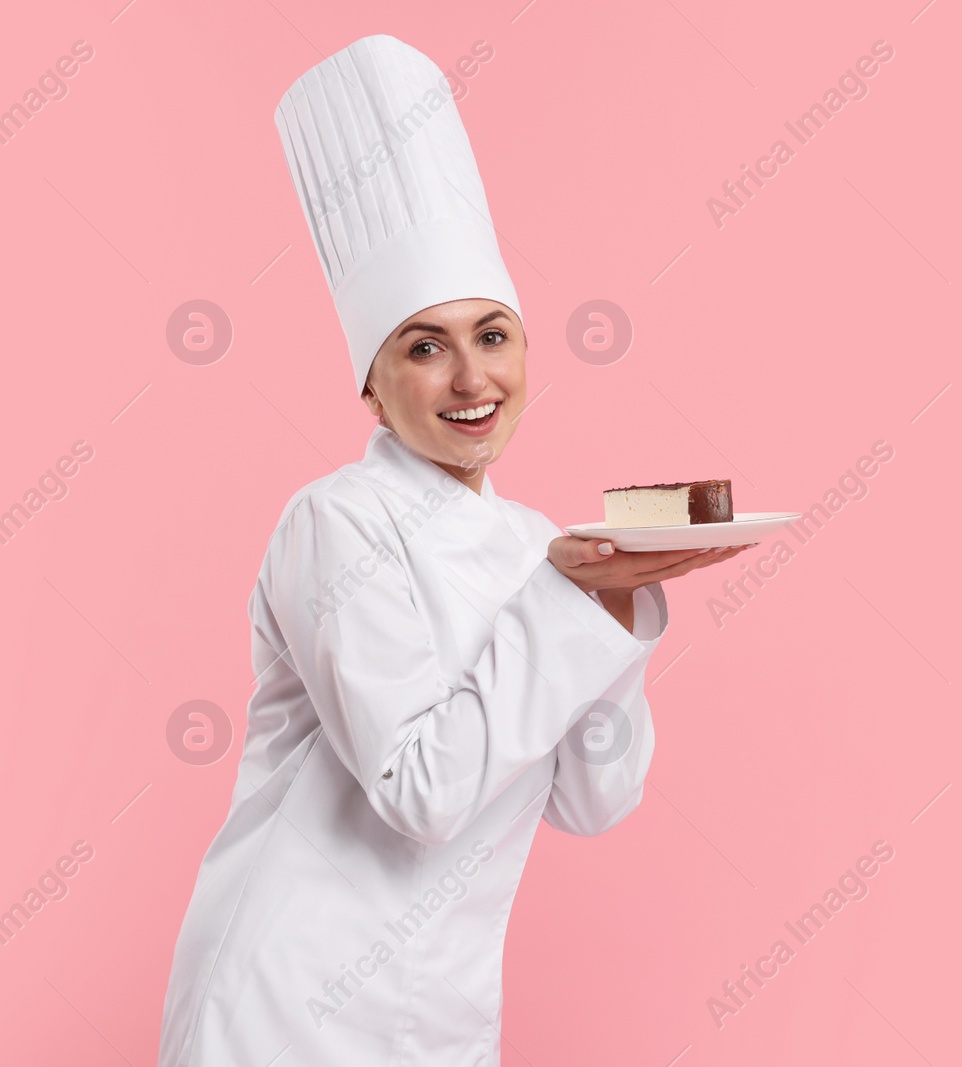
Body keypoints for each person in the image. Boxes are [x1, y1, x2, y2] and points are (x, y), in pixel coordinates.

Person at [156, 34, 748, 1066]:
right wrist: (572, 599)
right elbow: (420, 792)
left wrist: (617, 605)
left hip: (438, 1012)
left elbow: (591, 801)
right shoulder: (331, 523)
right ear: (370, 383)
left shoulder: (536, 544)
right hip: (283, 1005)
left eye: (494, 334)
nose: (471, 376)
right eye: (423, 346)